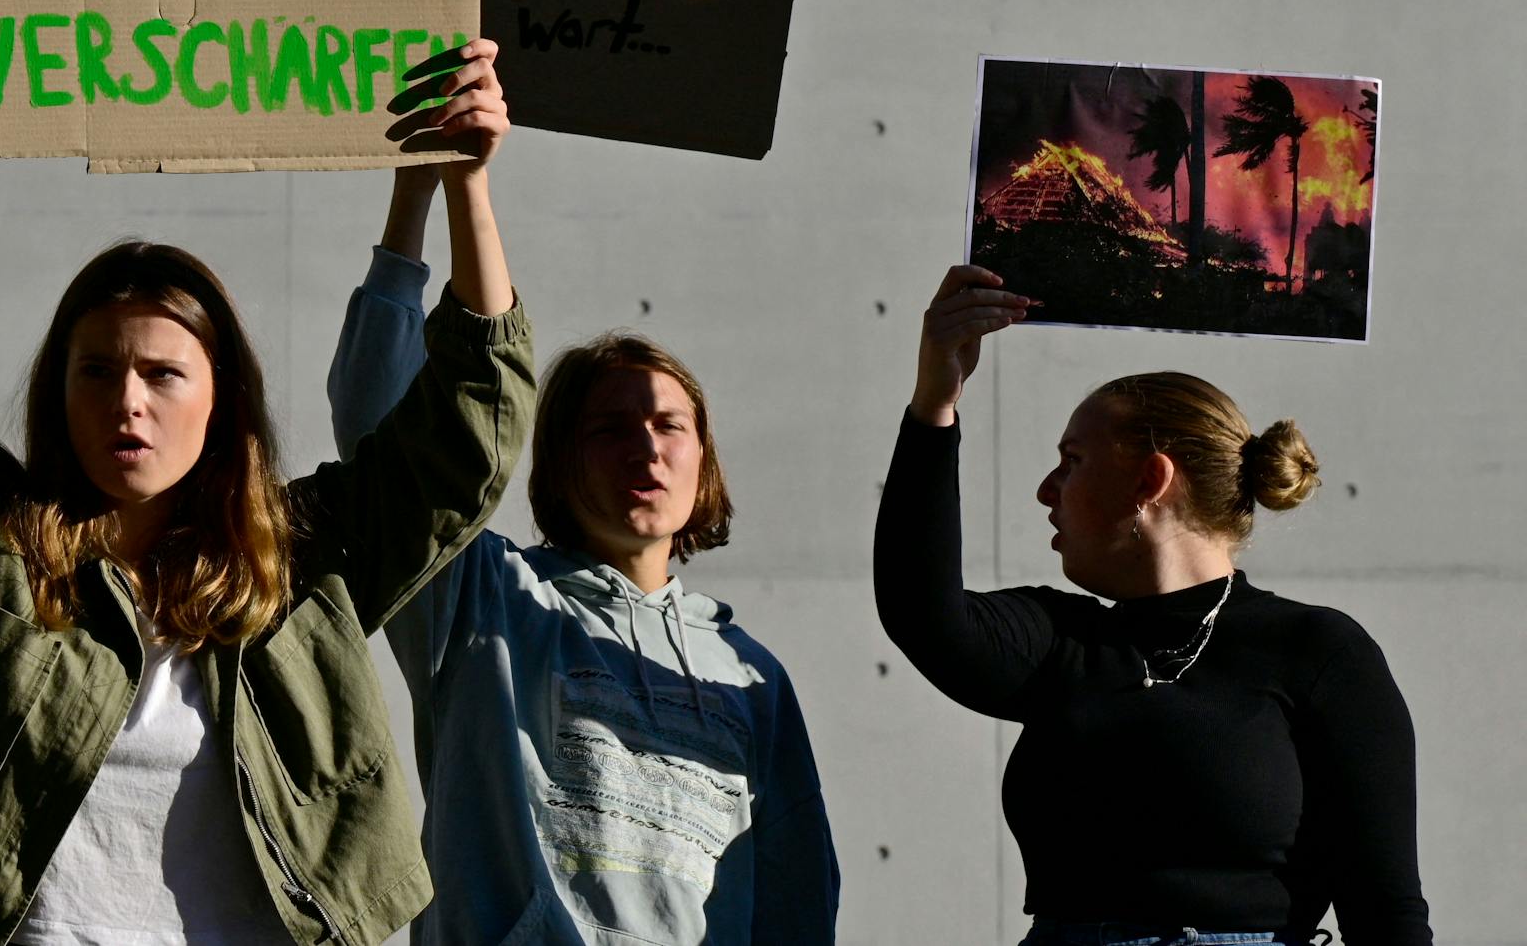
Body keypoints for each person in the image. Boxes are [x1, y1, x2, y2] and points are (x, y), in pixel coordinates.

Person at [0, 0, 535, 946]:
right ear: (58, 388)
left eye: (162, 373)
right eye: (97, 369)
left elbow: (475, 424)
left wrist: (465, 180)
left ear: (223, 400)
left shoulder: (306, 563)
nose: (127, 399)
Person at [325, 167, 839, 945]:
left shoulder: (749, 677)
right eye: (611, 428)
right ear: (561, 461)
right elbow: (378, 428)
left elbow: (798, 906)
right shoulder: (480, 598)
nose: (646, 446)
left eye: (671, 425)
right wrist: (429, 194)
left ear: (705, 459)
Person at [874, 265, 1432, 946]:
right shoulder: (1063, 639)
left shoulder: (1317, 651)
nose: (1047, 490)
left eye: (1072, 460)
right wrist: (936, 401)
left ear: (1150, 478)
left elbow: (1387, 913)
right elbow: (921, 612)